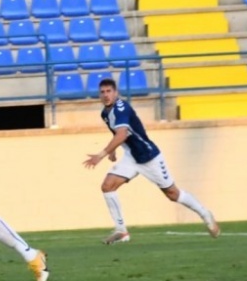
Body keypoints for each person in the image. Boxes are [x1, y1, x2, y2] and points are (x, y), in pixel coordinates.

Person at [83, 78, 220, 244]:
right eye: (102, 92)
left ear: (116, 92)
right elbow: (118, 133)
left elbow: (122, 134)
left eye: (109, 91)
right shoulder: (105, 113)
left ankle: (205, 213)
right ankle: (121, 231)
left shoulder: (121, 108)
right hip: (132, 157)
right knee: (107, 186)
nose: (105, 95)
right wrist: (112, 151)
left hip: (149, 157)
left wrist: (101, 154)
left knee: (173, 194)